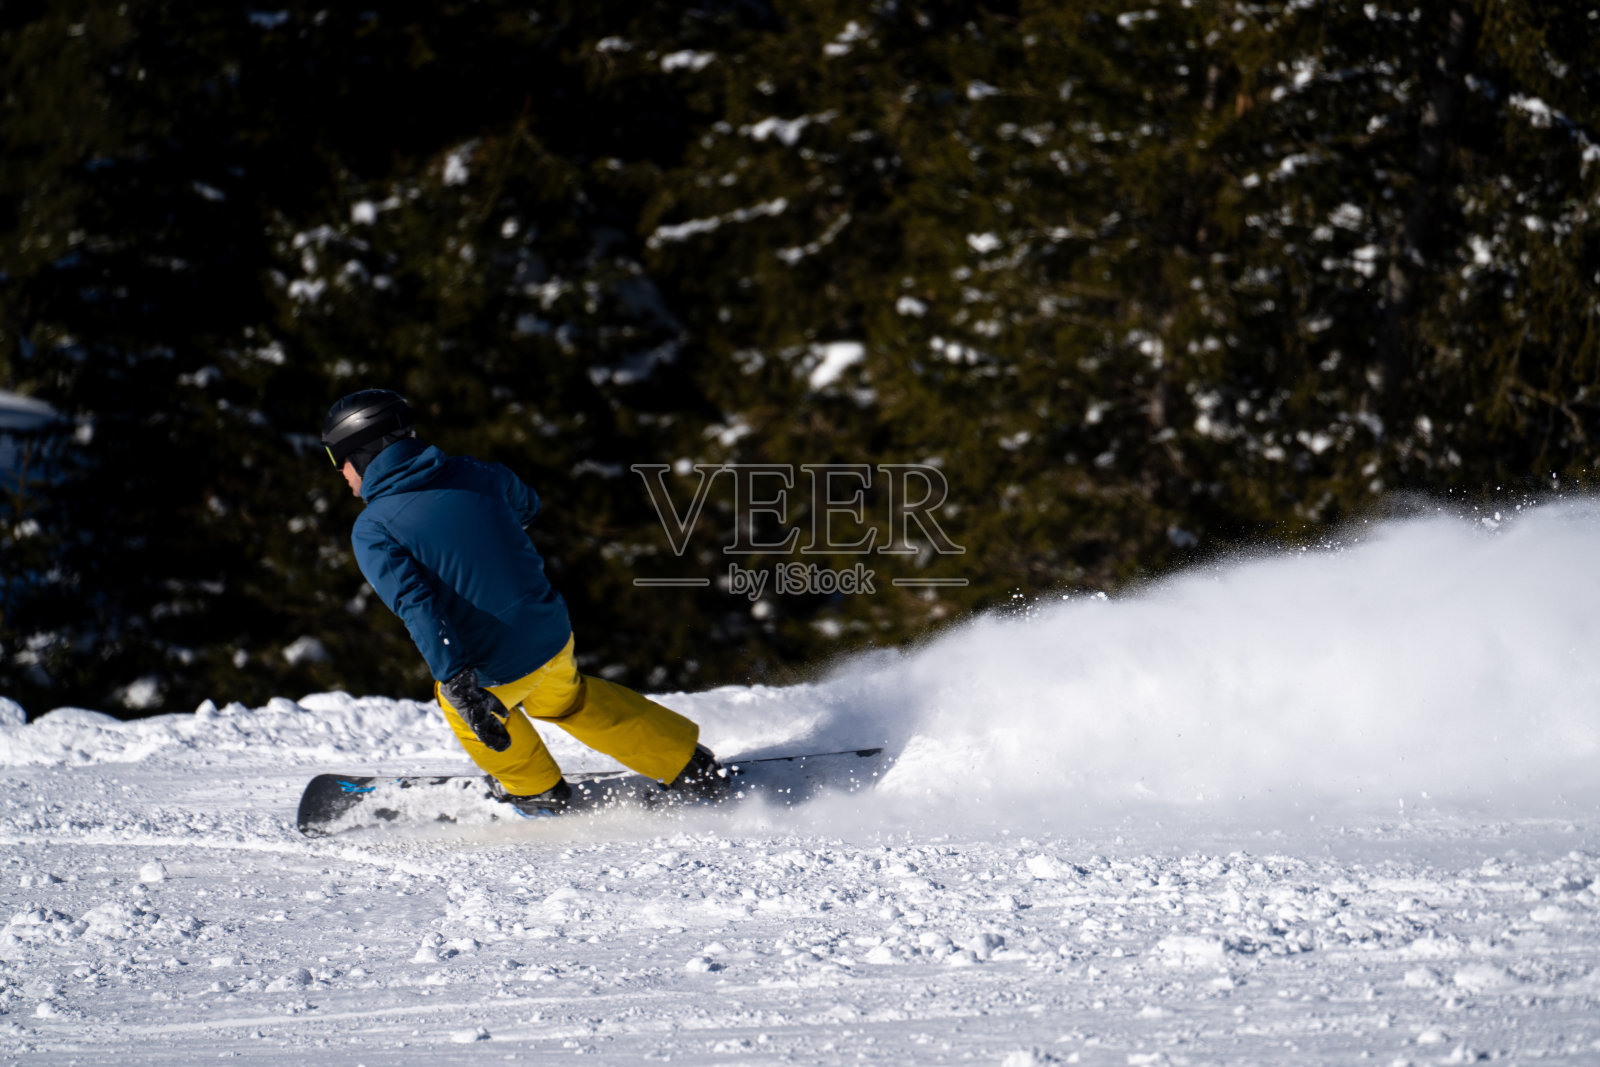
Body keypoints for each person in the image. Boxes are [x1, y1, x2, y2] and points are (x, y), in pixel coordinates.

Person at [320, 389, 726, 816]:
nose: (340, 472)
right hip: (550, 634)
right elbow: (527, 505)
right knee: (570, 701)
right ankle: (686, 762)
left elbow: (417, 606)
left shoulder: (374, 528)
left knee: (462, 704)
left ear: (364, 453)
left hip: (496, 663)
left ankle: (535, 789)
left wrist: (455, 679)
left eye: (337, 459)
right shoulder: (476, 472)